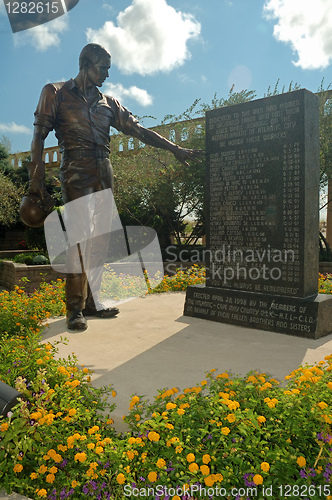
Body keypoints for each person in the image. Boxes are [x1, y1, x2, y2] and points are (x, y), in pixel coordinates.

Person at [27, 43, 202, 331]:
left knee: (100, 241)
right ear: (86, 64)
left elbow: (139, 130)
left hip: (103, 171)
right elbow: (38, 138)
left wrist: (174, 148)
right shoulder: (55, 93)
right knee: (80, 242)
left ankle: (93, 302)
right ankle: (74, 309)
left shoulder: (109, 103)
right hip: (75, 170)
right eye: (103, 68)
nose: (107, 74)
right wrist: (36, 181)